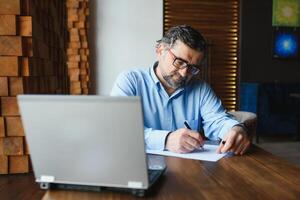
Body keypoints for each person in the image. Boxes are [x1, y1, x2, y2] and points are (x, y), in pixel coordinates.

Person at [111, 25, 251, 155]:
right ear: (160, 51)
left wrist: (236, 129)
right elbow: (118, 130)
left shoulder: (201, 89)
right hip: (140, 167)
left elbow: (218, 120)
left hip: (188, 172)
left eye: (192, 68)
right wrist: (166, 139)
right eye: (179, 62)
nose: (184, 73)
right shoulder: (130, 81)